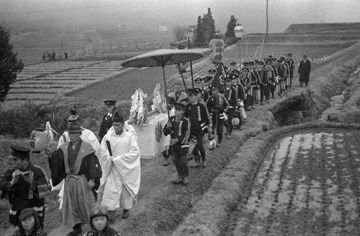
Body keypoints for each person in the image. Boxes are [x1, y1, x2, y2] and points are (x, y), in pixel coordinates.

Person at [48, 123, 102, 236]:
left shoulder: (87, 148)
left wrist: (92, 179)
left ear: (79, 134)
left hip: (82, 181)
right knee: (73, 205)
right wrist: (50, 155)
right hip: (69, 182)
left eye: (73, 133)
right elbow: (56, 160)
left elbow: (93, 163)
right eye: (70, 133)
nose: (71, 136)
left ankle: (92, 226)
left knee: (87, 204)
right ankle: (77, 227)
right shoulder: (64, 148)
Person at [55, 109, 101, 210]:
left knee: (88, 201)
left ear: (79, 122)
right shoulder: (64, 136)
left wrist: (92, 178)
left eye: (75, 123)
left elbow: (95, 154)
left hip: (86, 173)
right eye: (70, 123)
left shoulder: (89, 134)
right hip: (71, 175)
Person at [100, 112, 141, 221]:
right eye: (114, 125)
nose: (115, 127)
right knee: (111, 190)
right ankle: (111, 211)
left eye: (118, 125)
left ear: (123, 124)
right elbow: (102, 152)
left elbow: (135, 153)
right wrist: (109, 159)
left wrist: (119, 160)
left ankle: (126, 209)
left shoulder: (129, 137)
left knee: (124, 191)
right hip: (112, 169)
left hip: (124, 169)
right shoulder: (107, 137)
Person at [0, 144, 48, 229]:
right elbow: (2, 185)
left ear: (25, 160)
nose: (12, 162)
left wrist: (32, 182)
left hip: (34, 213)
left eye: (15, 160)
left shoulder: (38, 171)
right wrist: (11, 183)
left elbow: (44, 192)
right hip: (17, 212)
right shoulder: (11, 172)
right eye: (11, 160)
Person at [163, 103, 190, 185]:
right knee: (176, 161)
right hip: (174, 146)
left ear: (182, 111)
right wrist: (167, 128)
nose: (177, 112)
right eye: (176, 110)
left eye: (179, 110)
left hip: (183, 144)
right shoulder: (171, 119)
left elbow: (186, 133)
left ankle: (185, 176)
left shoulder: (186, 121)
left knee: (183, 161)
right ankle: (179, 175)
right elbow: (165, 132)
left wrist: (177, 139)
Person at [184, 89, 211, 168]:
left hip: (200, 129)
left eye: (192, 96)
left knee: (200, 145)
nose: (190, 98)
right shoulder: (188, 107)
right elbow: (185, 118)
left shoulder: (201, 106)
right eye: (189, 96)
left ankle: (204, 159)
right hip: (192, 129)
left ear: (196, 97)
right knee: (193, 146)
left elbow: (206, 117)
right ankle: (197, 161)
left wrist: (209, 127)